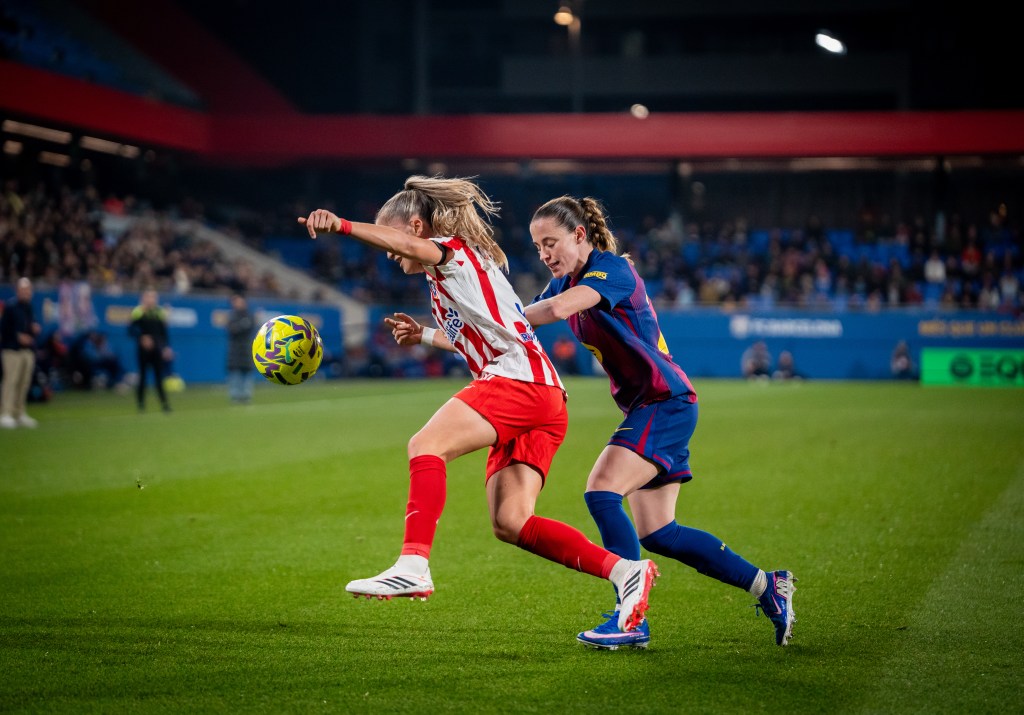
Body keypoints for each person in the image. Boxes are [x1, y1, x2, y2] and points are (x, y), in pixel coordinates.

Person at [298, 175, 658, 636]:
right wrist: (424, 335)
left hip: (519, 382)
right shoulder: (459, 271)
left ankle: (413, 565)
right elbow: (486, 334)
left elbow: (406, 247)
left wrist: (344, 226)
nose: (388, 251)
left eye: (392, 237)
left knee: (426, 445)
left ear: (416, 227)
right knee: (511, 521)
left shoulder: (450, 251)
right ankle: (625, 572)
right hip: (543, 396)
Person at [521, 195, 795, 649]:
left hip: (664, 401)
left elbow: (551, 312)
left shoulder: (611, 271)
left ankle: (630, 618)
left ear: (579, 235)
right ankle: (769, 587)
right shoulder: (563, 283)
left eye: (550, 242)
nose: (544, 254)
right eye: (537, 247)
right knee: (661, 533)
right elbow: (516, 324)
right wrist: (438, 333)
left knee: (601, 491)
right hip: (650, 407)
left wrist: (502, 315)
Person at [0, 277, 41, 428]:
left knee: (24, 383)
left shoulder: (29, 307)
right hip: (12, 350)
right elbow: (4, 329)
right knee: (10, 382)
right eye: (23, 289)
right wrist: (18, 337)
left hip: (27, 350)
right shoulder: (10, 307)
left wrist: (34, 329)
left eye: (28, 289)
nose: (26, 292)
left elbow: (29, 326)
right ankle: (5, 413)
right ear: (17, 291)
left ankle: (19, 413)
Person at [129, 289, 173, 413]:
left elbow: (163, 333)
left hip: (157, 350)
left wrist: (166, 347)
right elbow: (131, 330)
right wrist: (142, 337)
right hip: (143, 350)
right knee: (142, 377)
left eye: (153, 297)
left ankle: (165, 405)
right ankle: (141, 405)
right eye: (148, 297)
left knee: (159, 377)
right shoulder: (138, 312)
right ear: (143, 298)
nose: (151, 299)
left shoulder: (159, 313)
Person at [225, 292, 256, 403]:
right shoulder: (232, 316)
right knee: (235, 372)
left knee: (247, 372)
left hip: (246, 348)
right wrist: (243, 325)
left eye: (238, 301)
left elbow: (250, 326)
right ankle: (235, 396)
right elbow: (232, 329)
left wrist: (240, 326)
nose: (236, 303)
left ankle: (246, 396)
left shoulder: (249, 315)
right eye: (234, 301)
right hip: (235, 349)